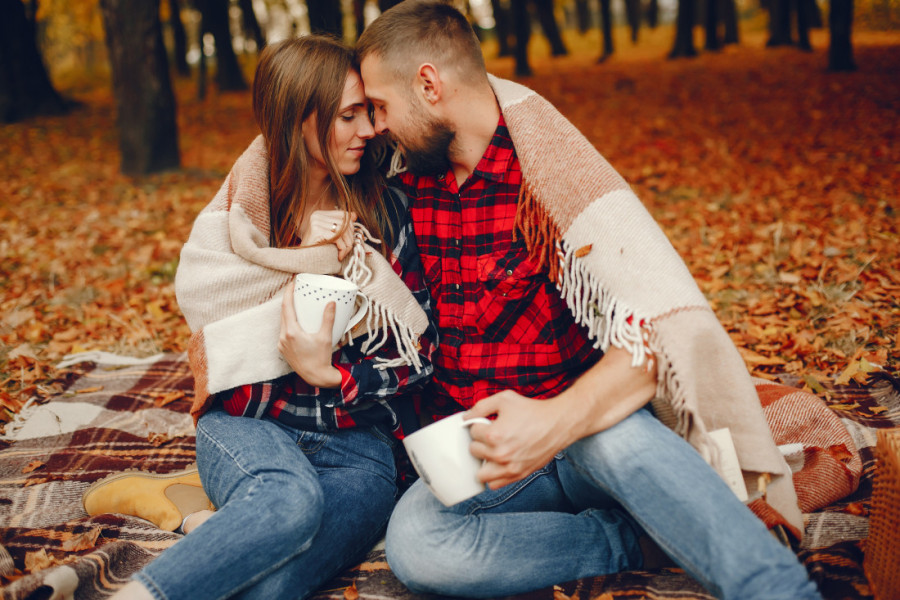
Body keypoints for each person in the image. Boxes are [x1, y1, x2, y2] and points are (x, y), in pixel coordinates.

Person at [355, 2, 822, 599]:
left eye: (380, 107)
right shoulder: (408, 178)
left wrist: (554, 423)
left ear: (428, 84)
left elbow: (655, 335)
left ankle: (777, 591)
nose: (372, 127)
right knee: (417, 544)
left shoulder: (551, 175)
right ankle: (632, 540)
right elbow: (300, 132)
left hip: (587, 429)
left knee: (617, 437)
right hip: (483, 448)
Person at [81, 35, 436, 600]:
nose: (368, 130)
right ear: (297, 120)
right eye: (348, 116)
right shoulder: (242, 221)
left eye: (367, 112)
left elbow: (418, 351)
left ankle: (200, 518)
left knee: (272, 589)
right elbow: (213, 317)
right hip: (250, 425)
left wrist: (330, 375)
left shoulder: (382, 212)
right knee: (287, 502)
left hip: (357, 448)